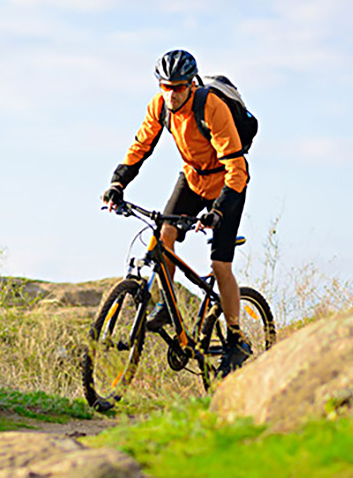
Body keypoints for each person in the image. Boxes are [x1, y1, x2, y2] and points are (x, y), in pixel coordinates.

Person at [101, 49, 251, 378]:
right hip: (193, 178)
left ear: (191, 84)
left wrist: (218, 212)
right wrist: (117, 183)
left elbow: (236, 166)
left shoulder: (211, 106)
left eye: (179, 87)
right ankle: (168, 308)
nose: (172, 94)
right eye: (166, 86)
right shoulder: (160, 106)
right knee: (162, 236)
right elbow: (140, 146)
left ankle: (237, 336)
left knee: (219, 263)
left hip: (228, 183)